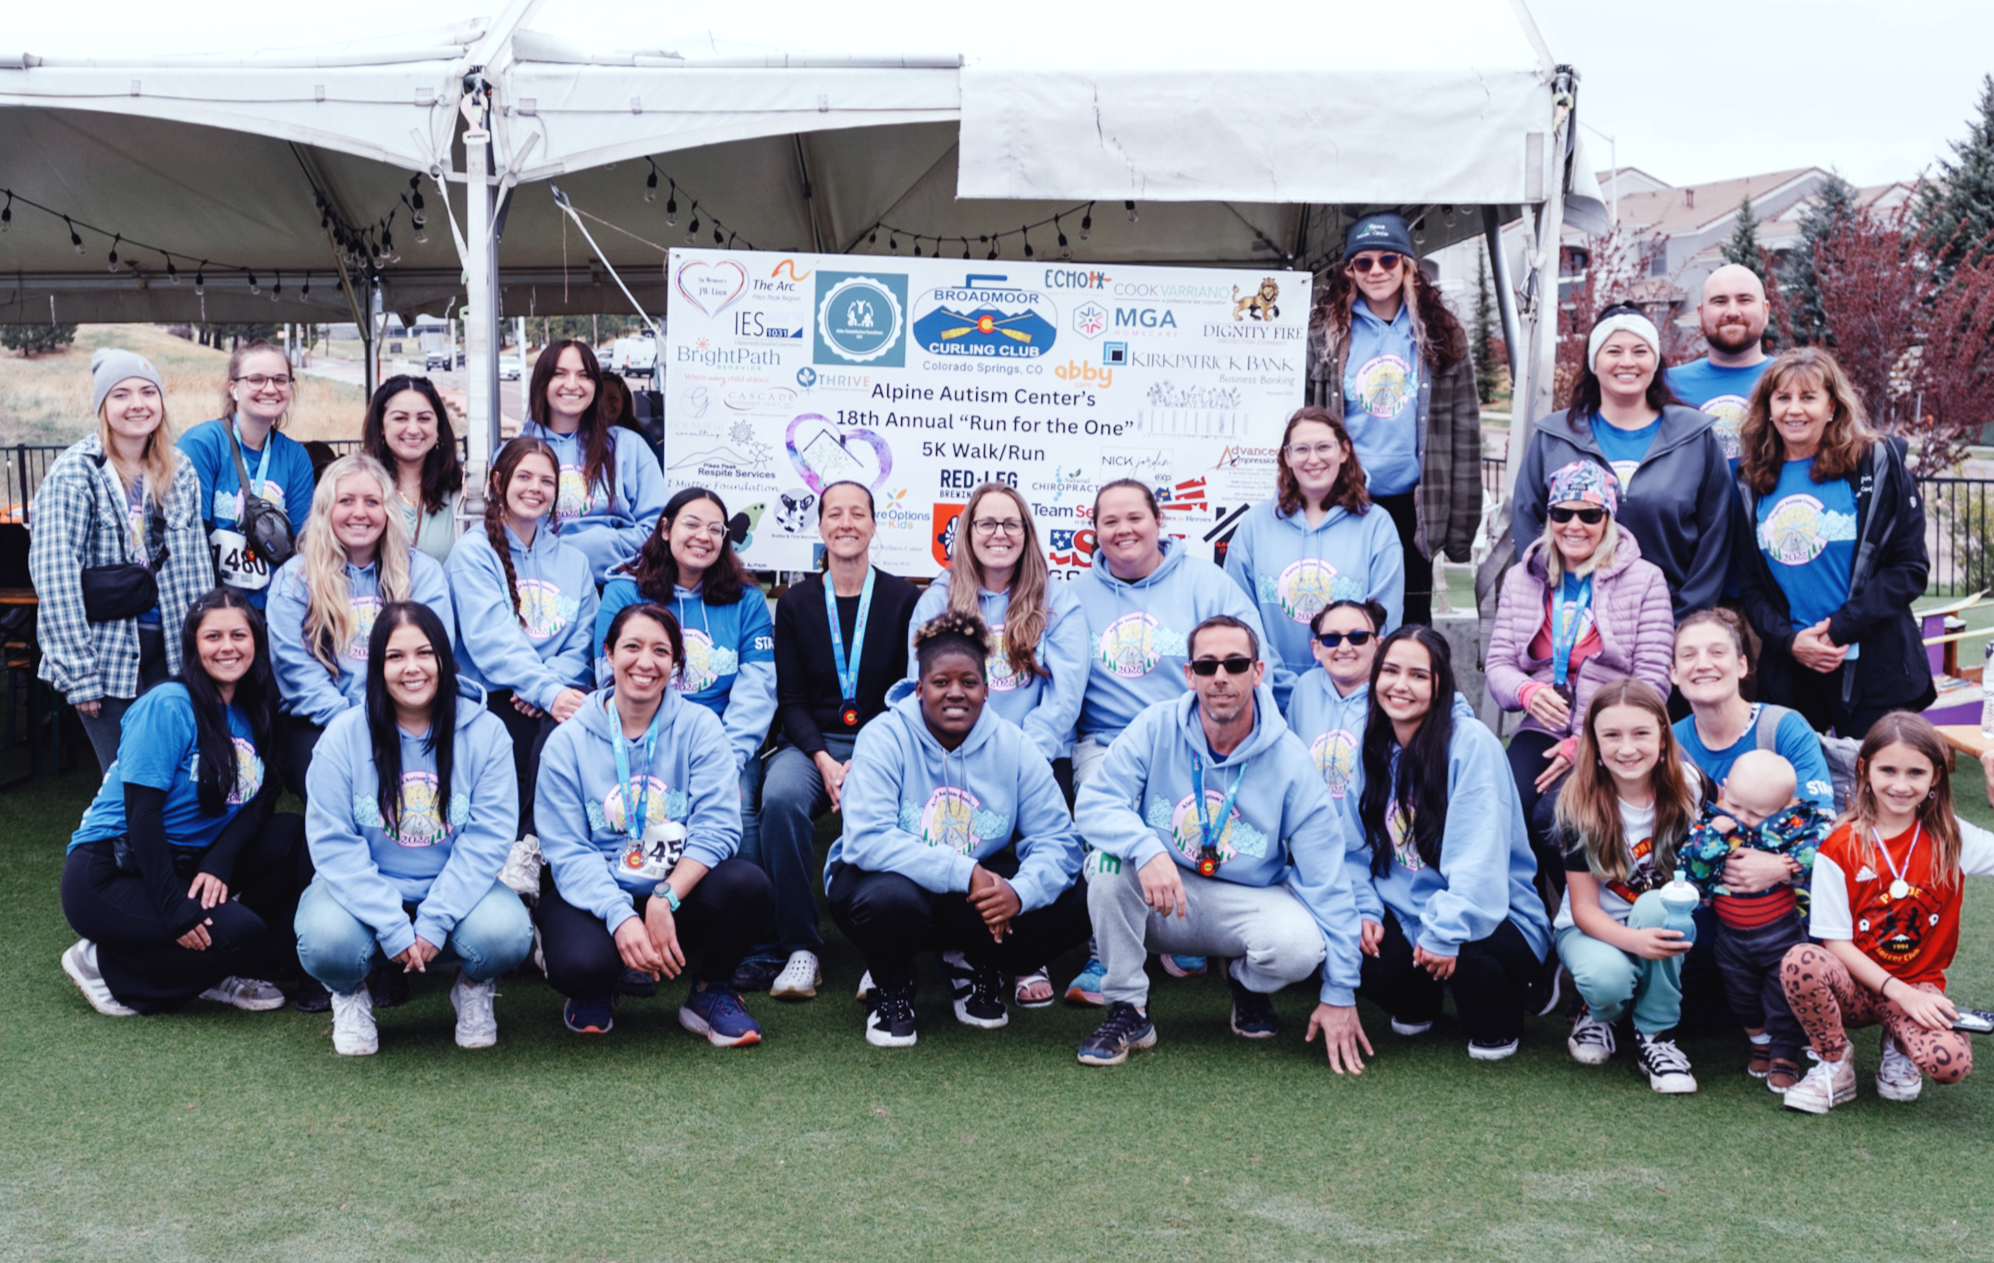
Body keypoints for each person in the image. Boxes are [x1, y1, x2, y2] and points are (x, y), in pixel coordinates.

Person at [1072, 615, 1370, 1071]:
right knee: (1109, 865)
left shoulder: (1289, 758)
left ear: (1258, 671)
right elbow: (1094, 803)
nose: (1221, 678)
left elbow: (1326, 878)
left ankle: (1246, 983)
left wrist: (1341, 992)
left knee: (1300, 948)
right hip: (1163, 892)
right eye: (1207, 666)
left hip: (1246, 901)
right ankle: (1128, 1009)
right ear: (1189, 675)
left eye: (1235, 664)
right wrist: (1145, 848)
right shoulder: (1155, 726)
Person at [827, 612, 1088, 1046]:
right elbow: (867, 839)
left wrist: (1019, 892)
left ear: (987, 691)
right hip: (901, 888)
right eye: (941, 682)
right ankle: (892, 985)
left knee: (1081, 899)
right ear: (919, 688)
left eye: (969, 682)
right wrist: (964, 872)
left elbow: (1059, 844)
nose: (955, 693)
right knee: (888, 899)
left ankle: (974, 960)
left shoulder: (1014, 745)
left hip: (976, 901)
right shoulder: (883, 737)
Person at [59, 589, 309, 1016]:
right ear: (193, 644)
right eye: (213, 637)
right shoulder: (168, 704)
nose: (227, 647)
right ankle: (106, 966)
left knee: (295, 838)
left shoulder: (255, 706)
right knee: (242, 933)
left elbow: (264, 795)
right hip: (112, 870)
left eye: (239, 635)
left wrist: (220, 861)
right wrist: (175, 909)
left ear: (256, 642)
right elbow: (142, 815)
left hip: (189, 862)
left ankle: (223, 966)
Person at [534, 602, 776, 1045]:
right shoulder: (566, 742)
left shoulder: (701, 727)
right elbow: (567, 850)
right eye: (632, 646)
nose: (645, 662)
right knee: (579, 964)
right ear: (608, 654)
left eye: (661, 651)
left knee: (749, 887)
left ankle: (710, 993)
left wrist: (664, 897)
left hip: (674, 890)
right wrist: (620, 916)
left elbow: (719, 827)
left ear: (675, 664)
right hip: (599, 894)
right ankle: (596, 987)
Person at [297, 602, 532, 1055]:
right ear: (377, 666)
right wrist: (393, 925)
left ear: (444, 658)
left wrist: (435, 919)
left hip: (453, 884)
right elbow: (334, 845)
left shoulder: (487, 734)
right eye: (395, 656)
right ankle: (348, 994)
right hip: (365, 884)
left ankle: (472, 987)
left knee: (506, 934)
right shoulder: (342, 737)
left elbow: (487, 839)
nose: (412, 668)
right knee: (326, 942)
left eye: (425, 653)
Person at [1065, 478, 1265, 1002]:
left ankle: (1183, 927)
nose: (1123, 529)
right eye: (1109, 521)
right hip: (1107, 741)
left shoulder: (1206, 583)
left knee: (1198, 805)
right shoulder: (1073, 596)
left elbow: (1249, 660)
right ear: (1094, 533)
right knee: (1106, 807)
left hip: (1194, 739)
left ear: (1159, 523)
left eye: (1135, 517)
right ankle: (1104, 952)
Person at [902, 482, 1087, 1009]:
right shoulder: (936, 599)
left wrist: (1018, 755)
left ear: (1027, 534)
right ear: (968, 532)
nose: (999, 534)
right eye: (987, 523)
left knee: (1044, 821)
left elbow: (1064, 693)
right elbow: (922, 690)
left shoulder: (1058, 600)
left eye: (1011, 524)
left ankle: (1025, 949)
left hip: (1034, 750)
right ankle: (954, 943)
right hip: (949, 750)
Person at [743, 481, 919, 999]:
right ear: (819, 526)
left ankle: (880, 949)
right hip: (811, 743)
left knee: (897, 806)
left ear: (873, 525)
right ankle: (802, 947)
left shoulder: (905, 597)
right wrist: (823, 759)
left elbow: (908, 692)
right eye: (835, 513)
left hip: (884, 744)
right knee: (779, 798)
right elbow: (791, 700)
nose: (846, 523)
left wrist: (866, 759)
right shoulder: (795, 602)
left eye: (857, 513)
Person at [1348, 626, 1553, 1061]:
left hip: (1495, 918)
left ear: (1441, 683)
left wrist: (1443, 934)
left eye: (1418, 675)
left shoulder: (1471, 743)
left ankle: (1499, 1018)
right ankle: (1418, 1000)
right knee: (1353, 939)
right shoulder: (1369, 743)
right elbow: (1352, 849)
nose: (1400, 686)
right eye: (1390, 671)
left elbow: (1478, 865)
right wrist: (1364, 910)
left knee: (1470, 954)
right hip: (1409, 910)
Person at [1781, 714, 1990, 1113]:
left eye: (1915, 772)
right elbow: (1835, 943)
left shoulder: (1951, 837)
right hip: (1855, 989)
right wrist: (1901, 993)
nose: (1900, 784)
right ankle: (1834, 1061)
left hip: (1919, 986)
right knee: (1801, 961)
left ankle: (1899, 1043)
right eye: (1888, 770)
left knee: (1952, 1063)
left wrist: (1914, 997)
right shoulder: (1838, 846)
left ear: (1936, 777)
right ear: (1865, 769)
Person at [1484, 460, 1673, 889]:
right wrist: (1527, 691)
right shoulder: (1523, 577)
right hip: (1544, 726)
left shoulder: (1645, 580)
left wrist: (1586, 743)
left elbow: (1653, 681)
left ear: (1608, 519)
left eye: (1589, 514)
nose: (1575, 525)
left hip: (1612, 732)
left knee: (1555, 817)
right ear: (1548, 519)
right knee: (1507, 807)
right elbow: (1498, 665)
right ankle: (1537, 920)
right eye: (1562, 514)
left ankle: (1587, 913)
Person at [1733, 347, 1934, 739]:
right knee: (1794, 792)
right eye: (1783, 397)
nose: (1795, 409)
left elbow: (1909, 570)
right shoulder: (1750, 480)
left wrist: (1839, 630)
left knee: (1879, 790)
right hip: (1792, 673)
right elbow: (1752, 587)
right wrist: (1790, 641)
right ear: (1768, 408)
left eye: (1808, 397)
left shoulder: (1875, 463)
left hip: (1875, 668)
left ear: (1832, 407)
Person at [31, 348, 215, 773]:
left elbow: (196, 567)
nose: (137, 403)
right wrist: (78, 673)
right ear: (102, 406)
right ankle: (117, 845)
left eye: (148, 392)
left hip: (171, 647)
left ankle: (164, 844)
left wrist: (204, 650)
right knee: (124, 781)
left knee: (173, 772)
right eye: (121, 394)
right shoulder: (76, 474)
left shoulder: (179, 469)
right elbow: (55, 579)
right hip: (108, 652)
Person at [1306, 211, 1481, 626]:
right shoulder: (1324, 332)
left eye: (1388, 259)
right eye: (1363, 262)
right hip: (1346, 500)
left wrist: (1460, 535)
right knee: (1344, 618)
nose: (1376, 271)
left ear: (1407, 265)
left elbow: (1465, 432)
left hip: (1413, 507)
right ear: (1349, 270)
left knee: (1409, 622)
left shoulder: (1442, 333)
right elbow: (1307, 417)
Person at [1512, 305, 1732, 620]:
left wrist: (1685, 621)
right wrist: (1556, 608)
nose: (1627, 362)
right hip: (1572, 621)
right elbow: (1527, 529)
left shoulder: (1695, 437)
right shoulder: (1553, 438)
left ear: (1654, 361)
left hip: (1670, 619)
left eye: (1640, 351)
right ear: (1594, 362)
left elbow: (1716, 538)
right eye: (1613, 350)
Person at [598, 487, 774, 864]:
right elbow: (609, 676)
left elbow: (757, 689)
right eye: (691, 524)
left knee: (735, 812)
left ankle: (745, 913)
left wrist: (726, 759)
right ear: (665, 529)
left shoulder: (748, 600)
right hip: (643, 740)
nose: (703, 536)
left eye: (715, 529)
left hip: (725, 743)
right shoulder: (623, 591)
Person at [266, 453, 452, 800]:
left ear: (388, 510)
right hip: (322, 719)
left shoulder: (422, 573)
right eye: (346, 501)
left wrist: (397, 719)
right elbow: (297, 671)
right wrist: (356, 724)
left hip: (408, 712)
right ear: (325, 510)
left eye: (371, 501)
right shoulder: (294, 580)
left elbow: (435, 653)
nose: (359, 513)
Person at [1550, 679, 1704, 1093]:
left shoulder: (1691, 785)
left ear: (1664, 738)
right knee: (1607, 980)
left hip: (1657, 918)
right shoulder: (1577, 804)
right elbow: (1583, 908)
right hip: (1591, 928)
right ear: (1595, 746)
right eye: (1612, 736)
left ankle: (1656, 1036)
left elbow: (1731, 823)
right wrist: (1633, 943)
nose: (1628, 748)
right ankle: (1598, 1013)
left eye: (1641, 733)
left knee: (1660, 904)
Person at [449, 437, 597, 842]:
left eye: (547, 481)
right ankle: (524, 847)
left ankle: (551, 852)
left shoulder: (574, 561)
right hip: (496, 694)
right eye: (524, 476)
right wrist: (543, 691)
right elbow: (491, 640)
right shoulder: (473, 554)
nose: (536, 488)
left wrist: (547, 687)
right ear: (498, 482)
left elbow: (583, 641)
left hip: (552, 693)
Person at [1223, 406, 1403, 708]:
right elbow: (1238, 615)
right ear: (1286, 457)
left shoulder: (1377, 525)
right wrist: (1276, 681)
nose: (1313, 458)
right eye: (1302, 449)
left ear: (1344, 451)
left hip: (1350, 697)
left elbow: (1384, 618)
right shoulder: (1254, 525)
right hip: (1267, 696)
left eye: (1323, 447)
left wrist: (1337, 681)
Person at [1679, 749, 1834, 1092]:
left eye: (1757, 812)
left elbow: (1824, 841)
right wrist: (1713, 835)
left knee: (1781, 994)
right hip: (1731, 937)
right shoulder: (1711, 822)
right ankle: (1758, 1042)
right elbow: (1692, 867)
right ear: (1725, 786)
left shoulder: (1795, 825)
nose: (1744, 818)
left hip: (1781, 934)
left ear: (1783, 806)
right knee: (1741, 994)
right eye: (1735, 805)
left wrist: (1787, 865)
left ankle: (1784, 1052)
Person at [178, 341, 319, 609]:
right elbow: (189, 541)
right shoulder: (202, 444)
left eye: (280, 379)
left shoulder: (295, 456)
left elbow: (302, 548)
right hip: (212, 611)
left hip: (272, 612)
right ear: (234, 388)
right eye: (256, 379)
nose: (270, 388)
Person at [519, 339, 666, 584]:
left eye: (584, 375)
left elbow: (659, 526)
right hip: (542, 588)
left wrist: (603, 546)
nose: (572, 385)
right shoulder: (515, 453)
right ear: (542, 382)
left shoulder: (629, 446)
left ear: (595, 386)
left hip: (622, 584)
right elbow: (510, 536)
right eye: (559, 374)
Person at [1670, 609, 1836, 810]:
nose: (1703, 664)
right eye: (1688, 655)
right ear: (1674, 673)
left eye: (1717, 652)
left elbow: (1819, 820)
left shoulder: (1784, 729)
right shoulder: (1669, 744)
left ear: (1742, 666)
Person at [1283, 598, 1386, 848]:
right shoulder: (1305, 688)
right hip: (1309, 842)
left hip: (1373, 844)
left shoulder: (1390, 694)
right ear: (1316, 648)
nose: (1344, 647)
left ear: (1379, 645)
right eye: (1331, 638)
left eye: (1358, 637)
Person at [1664, 263, 1773, 466]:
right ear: (1701, 313)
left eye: (1744, 300)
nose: (1732, 311)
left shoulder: (1796, 383)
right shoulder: (1665, 386)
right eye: (1719, 301)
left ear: (1765, 311)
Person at [361, 374, 465, 565]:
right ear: (382, 427)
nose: (413, 429)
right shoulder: (358, 488)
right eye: (400, 418)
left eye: (424, 418)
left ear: (439, 427)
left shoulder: (464, 494)